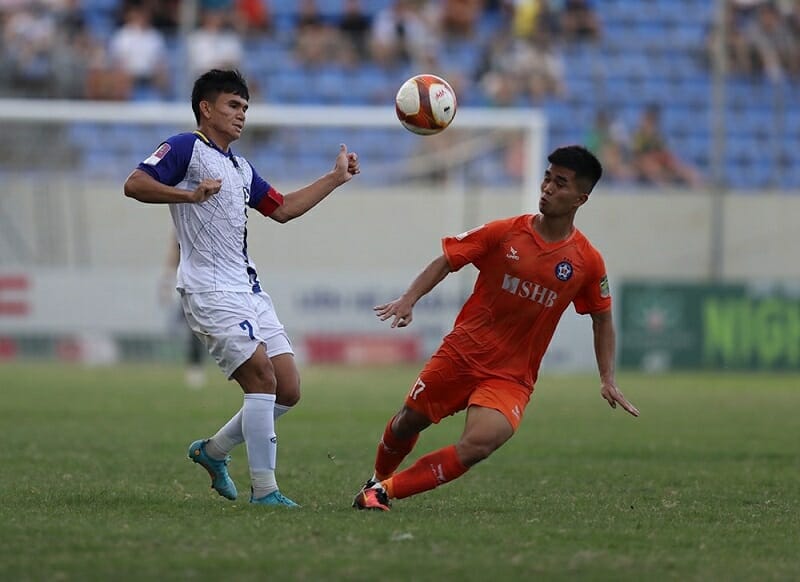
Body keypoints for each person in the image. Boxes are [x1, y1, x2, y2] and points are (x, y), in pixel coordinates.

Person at [353, 145, 638, 512]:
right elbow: (447, 260)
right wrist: (410, 299)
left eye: (560, 183)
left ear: (580, 198)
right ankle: (376, 477)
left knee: (479, 444)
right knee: (408, 422)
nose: (547, 188)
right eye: (547, 178)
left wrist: (607, 378)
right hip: (462, 353)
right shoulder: (505, 232)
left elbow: (602, 318)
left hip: (511, 376)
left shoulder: (587, 262)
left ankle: (383, 493)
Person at [123, 69, 360, 506]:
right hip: (208, 290)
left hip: (248, 289)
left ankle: (212, 452)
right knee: (261, 377)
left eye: (246, 108)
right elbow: (134, 184)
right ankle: (265, 492)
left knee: (287, 388)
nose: (241, 115)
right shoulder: (185, 148)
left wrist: (335, 178)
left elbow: (284, 209)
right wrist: (189, 197)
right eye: (233, 105)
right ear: (205, 108)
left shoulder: (240, 167)